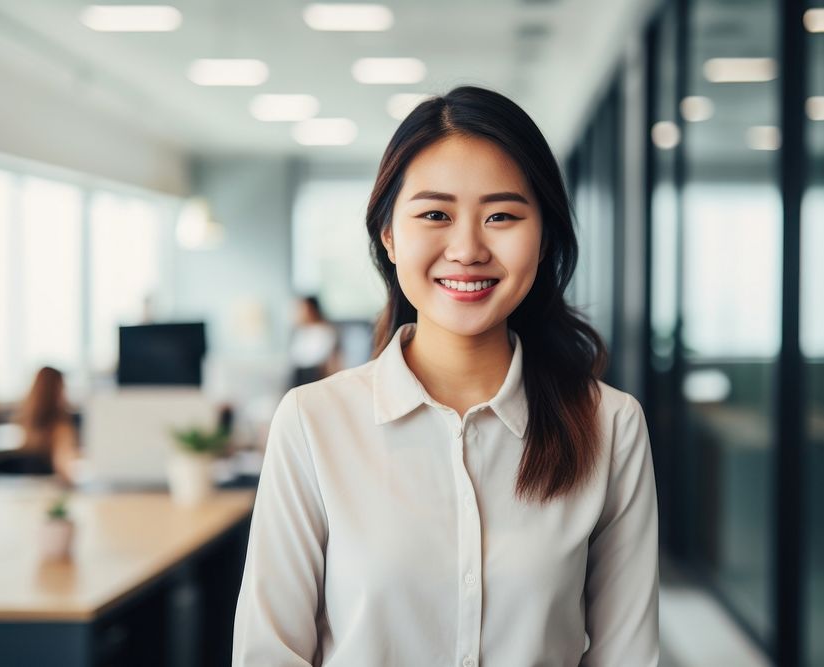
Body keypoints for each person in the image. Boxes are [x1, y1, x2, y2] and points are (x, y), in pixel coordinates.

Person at [233, 86, 659, 666]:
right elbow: (268, 651)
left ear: (544, 238)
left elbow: (626, 656)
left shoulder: (610, 426)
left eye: (502, 216)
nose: (467, 248)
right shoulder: (314, 421)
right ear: (388, 234)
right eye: (435, 214)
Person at [0, 366, 80, 486]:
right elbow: (62, 466)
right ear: (58, 390)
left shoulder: (25, 420)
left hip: (26, 486)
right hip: (47, 488)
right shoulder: (61, 427)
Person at [289, 295, 342, 387]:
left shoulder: (325, 331)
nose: (300, 313)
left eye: (303, 309)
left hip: (315, 374)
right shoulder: (300, 331)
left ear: (312, 310)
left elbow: (325, 359)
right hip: (300, 374)